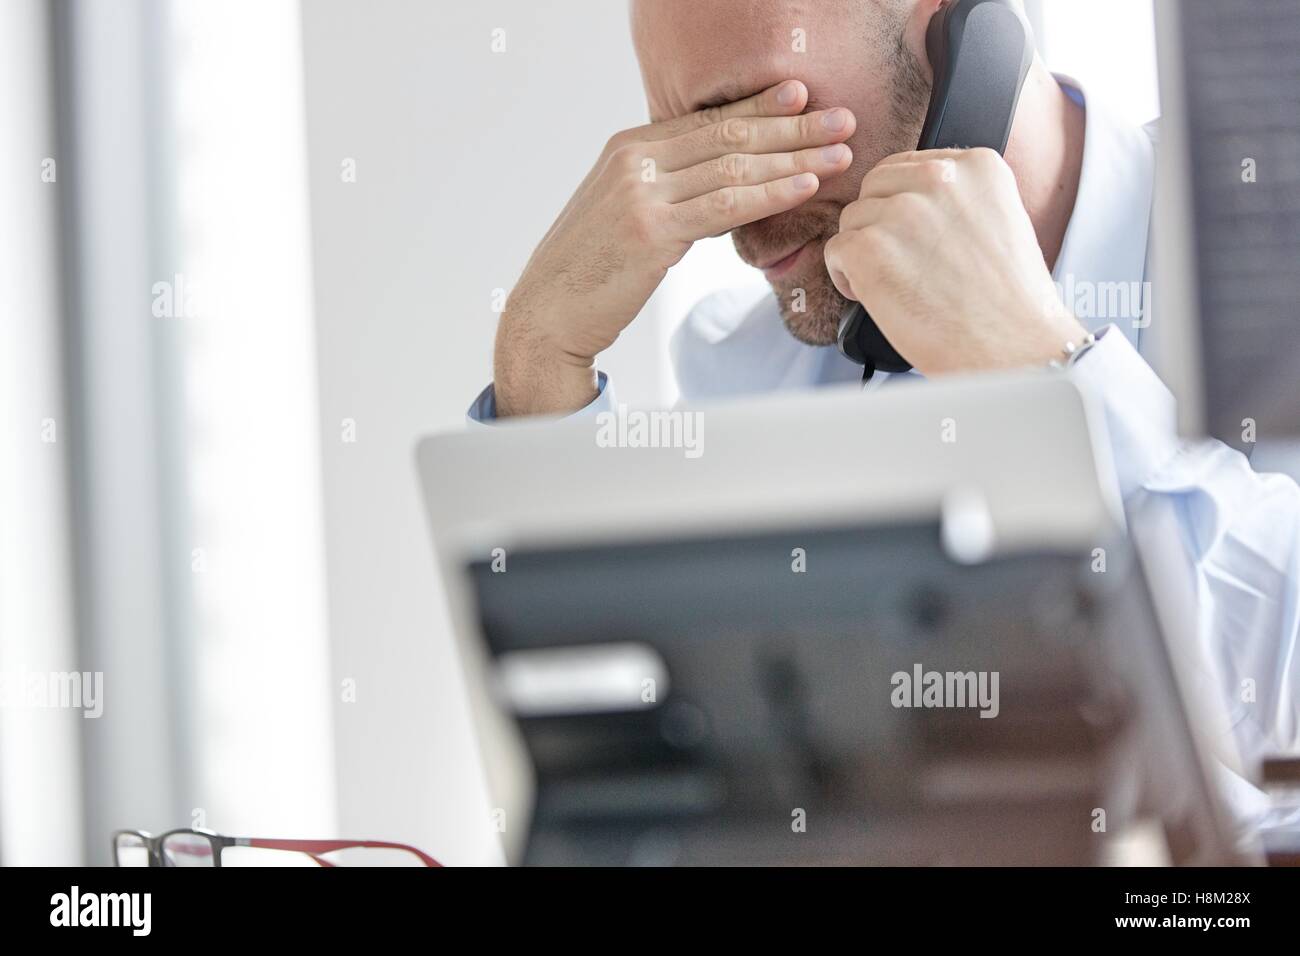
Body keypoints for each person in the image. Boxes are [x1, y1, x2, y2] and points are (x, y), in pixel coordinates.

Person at [468, 0, 1300, 828]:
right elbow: (637, 787)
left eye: (751, 110)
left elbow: (1275, 728)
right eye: (681, 145)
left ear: (949, 33)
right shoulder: (753, 370)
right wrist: (540, 365)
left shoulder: (1271, 243)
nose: (737, 225)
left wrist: (1046, 373)